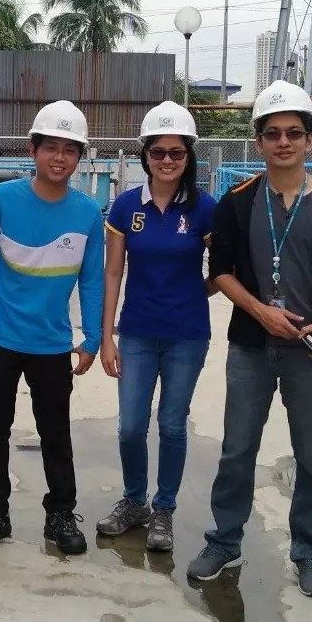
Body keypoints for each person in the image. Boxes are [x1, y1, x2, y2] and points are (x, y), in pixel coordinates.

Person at [187, 80, 312, 599]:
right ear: (258, 143)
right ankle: (224, 540)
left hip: (310, 351)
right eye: (271, 133)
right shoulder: (239, 202)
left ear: (311, 141)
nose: (282, 142)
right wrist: (260, 311)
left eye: (293, 132)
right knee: (237, 449)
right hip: (251, 346)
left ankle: (308, 550)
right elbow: (219, 271)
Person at [0, 100, 104, 556]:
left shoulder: (87, 213)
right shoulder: (3, 200)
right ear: (33, 149)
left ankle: (61, 515)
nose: (59, 158)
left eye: (70, 149)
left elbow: (93, 280)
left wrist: (94, 337)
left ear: (81, 156)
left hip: (51, 344)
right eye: (51, 147)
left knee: (56, 434)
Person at [96, 101, 217, 552]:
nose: (167, 161)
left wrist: (192, 293)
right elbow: (113, 273)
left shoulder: (205, 209)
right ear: (145, 154)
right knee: (130, 425)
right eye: (158, 152)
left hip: (187, 335)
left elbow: (225, 271)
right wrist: (106, 337)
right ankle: (134, 501)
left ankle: (163, 508)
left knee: (171, 424)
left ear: (189, 157)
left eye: (177, 153)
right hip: (138, 334)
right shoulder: (126, 207)